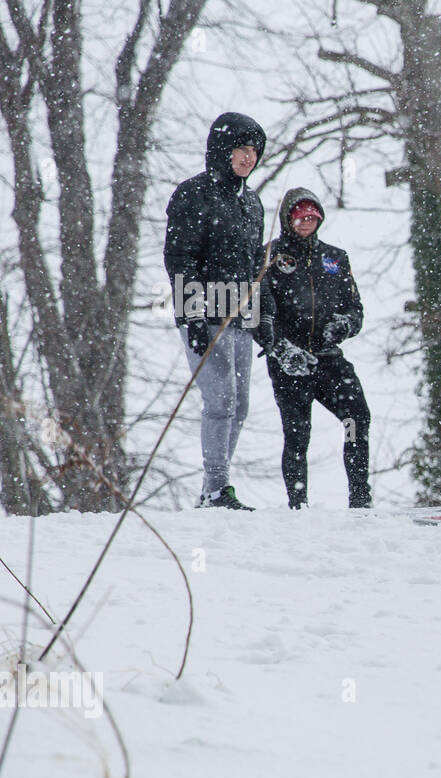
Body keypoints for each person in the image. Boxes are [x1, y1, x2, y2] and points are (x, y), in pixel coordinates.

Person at [164, 112, 276, 510]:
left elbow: (252, 268)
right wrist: (192, 314)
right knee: (221, 401)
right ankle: (216, 489)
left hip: (240, 316)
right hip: (204, 314)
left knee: (240, 405)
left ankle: (215, 486)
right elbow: (180, 258)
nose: (248, 157)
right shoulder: (194, 193)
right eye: (241, 148)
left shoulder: (254, 204)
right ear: (221, 149)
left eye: (254, 151)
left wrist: (263, 317)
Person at [261, 187, 371, 509]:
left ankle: (361, 501)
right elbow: (255, 315)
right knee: (298, 435)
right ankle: (299, 507)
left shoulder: (336, 258)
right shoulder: (269, 257)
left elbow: (356, 309)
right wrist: (282, 350)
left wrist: (345, 325)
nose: (307, 221)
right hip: (290, 364)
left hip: (329, 361)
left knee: (357, 418)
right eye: (300, 216)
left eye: (313, 215)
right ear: (287, 219)